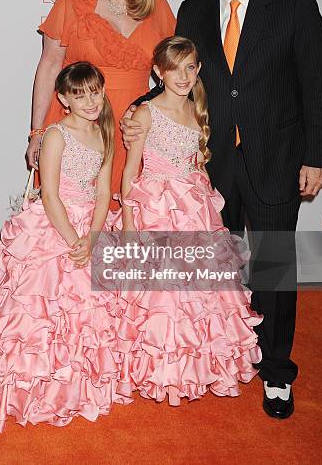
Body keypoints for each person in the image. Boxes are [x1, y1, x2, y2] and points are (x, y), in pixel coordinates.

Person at [123, 0, 322, 418]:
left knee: (274, 268)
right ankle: (227, 353)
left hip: (277, 161)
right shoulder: (194, 10)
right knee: (221, 270)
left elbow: (317, 82)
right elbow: (179, 79)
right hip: (211, 167)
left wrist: (317, 156)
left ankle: (277, 372)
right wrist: (140, 112)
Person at [0, 62, 132, 436]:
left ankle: (79, 382)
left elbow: (105, 191)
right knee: (36, 313)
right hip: (54, 228)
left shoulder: (104, 133)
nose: (90, 101)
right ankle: (27, 385)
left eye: (95, 92)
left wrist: (95, 235)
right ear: (63, 99)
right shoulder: (56, 135)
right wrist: (75, 241)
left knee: (91, 314)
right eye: (79, 94)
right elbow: (50, 194)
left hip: (90, 228)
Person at [111, 36, 262, 405]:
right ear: (158, 72)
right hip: (157, 208)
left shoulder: (198, 109)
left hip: (195, 206)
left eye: (191, 67)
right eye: (175, 68)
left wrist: (212, 211)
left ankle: (197, 364)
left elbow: (198, 163)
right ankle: (157, 367)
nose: (184, 76)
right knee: (160, 297)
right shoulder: (145, 113)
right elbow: (130, 173)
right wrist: (130, 224)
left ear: (198, 70)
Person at [27, 0, 175, 202]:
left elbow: (172, 76)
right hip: (81, 127)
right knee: (76, 222)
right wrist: (37, 132)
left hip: (132, 129)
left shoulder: (156, 4)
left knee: (128, 225)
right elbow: (50, 64)